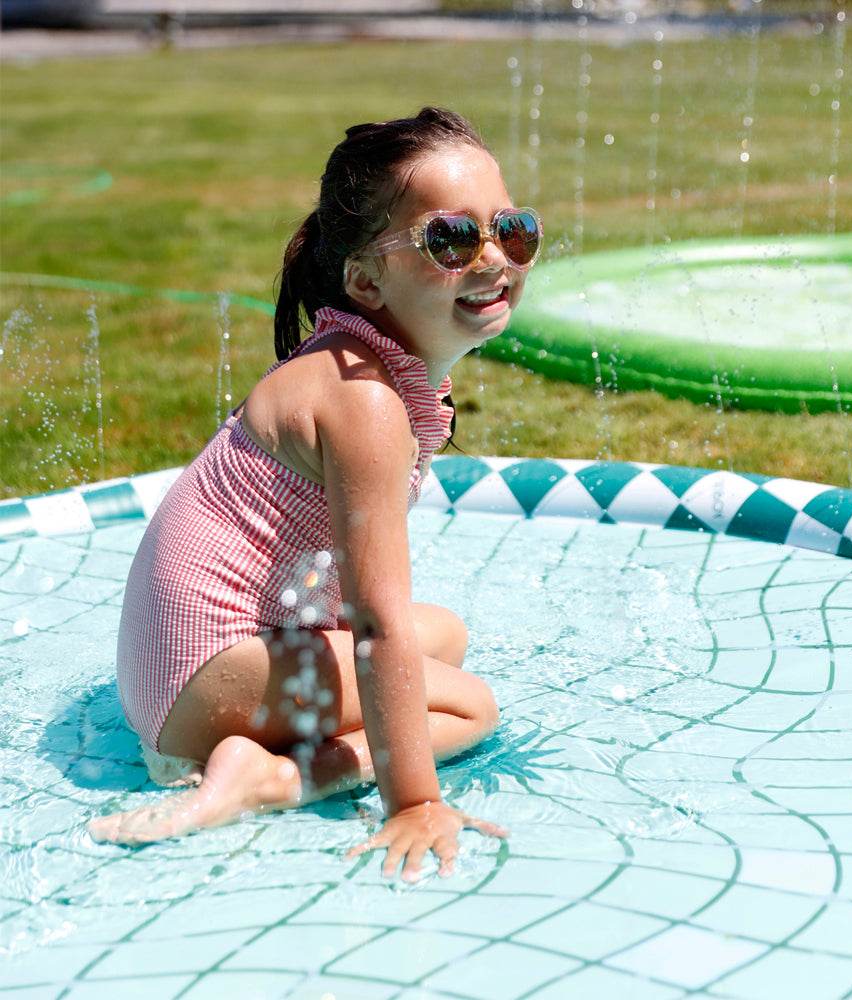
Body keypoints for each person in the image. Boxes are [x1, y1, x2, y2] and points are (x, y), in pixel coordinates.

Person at [87, 107, 544, 882]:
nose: (494, 258)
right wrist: (412, 802)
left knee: (446, 638)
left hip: (179, 666)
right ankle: (271, 777)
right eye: (451, 239)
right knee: (470, 708)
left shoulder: (366, 364)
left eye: (513, 228)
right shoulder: (364, 398)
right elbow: (374, 619)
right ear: (366, 278)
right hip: (199, 680)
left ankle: (255, 743)